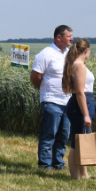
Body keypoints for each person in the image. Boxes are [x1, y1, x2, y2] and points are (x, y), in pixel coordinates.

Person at [31, 25, 73, 171]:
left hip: (68, 102)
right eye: (69, 36)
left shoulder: (69, 54)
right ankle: (44, 164)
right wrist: (46, 90)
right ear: (58, 37)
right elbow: (35, 77)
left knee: (63, 135)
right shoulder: (46, 54)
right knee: (49, 134)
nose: (71, 39)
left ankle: (58, 163)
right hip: (51, 101)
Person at [61, 39, 96, 180]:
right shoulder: (80, 66)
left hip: (81, 103)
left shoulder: (75, 64)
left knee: (83, 139)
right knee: (78, 142)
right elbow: (80, 92)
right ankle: (75, 177)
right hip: (81, 104)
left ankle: (84, 174)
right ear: (86, 50)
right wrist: (86, 115)